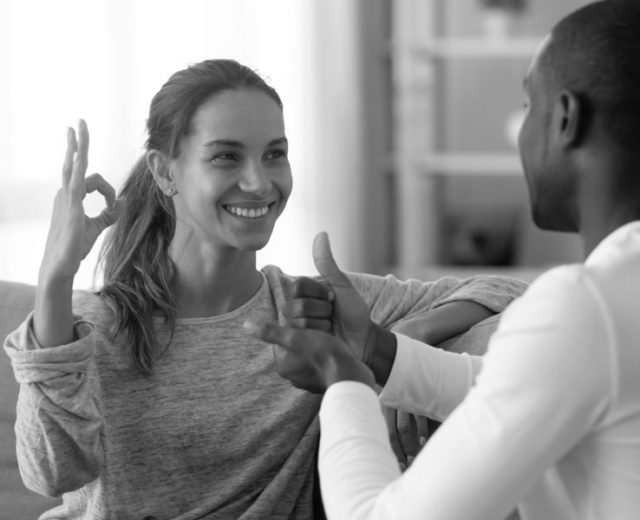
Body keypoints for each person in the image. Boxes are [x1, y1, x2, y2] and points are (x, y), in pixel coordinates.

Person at [2, 59, 526, 519]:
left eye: (274, 154)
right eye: (226, 157)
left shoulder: (313, 310)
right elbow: (52, 474)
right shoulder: (100, 323)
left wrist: (395, 348)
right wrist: (55, 278)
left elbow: (510, 291)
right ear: (166, 172)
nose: (259, 182)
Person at [245, 1, 640, 519]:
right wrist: (377, 350)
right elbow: (523, 385)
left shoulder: (587, 305)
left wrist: (344, 378)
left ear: (565, 118)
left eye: (527, 107)